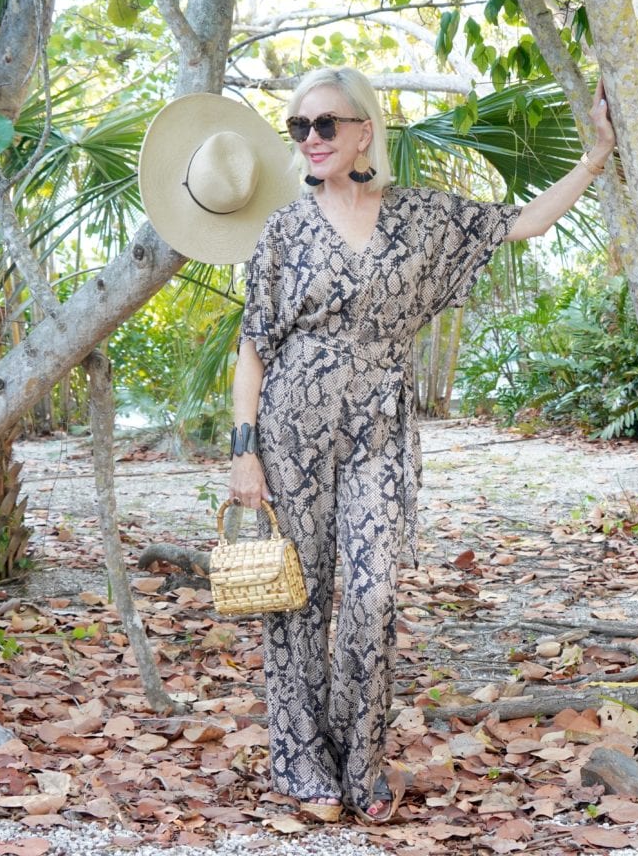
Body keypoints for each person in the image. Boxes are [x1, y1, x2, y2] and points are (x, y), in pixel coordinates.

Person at [227, 67, 616, 825]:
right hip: (290, 432)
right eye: (298, 128)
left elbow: (522, 223)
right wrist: (245, 451)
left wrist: (595, 157)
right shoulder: (282, 230)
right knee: (296, 602)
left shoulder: (420, 218)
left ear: (364, 130)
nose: (310, 139)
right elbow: (254, 347)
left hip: (378, 430)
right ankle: (306, 763)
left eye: (325, 125)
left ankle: (362, 757)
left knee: (372, 596)